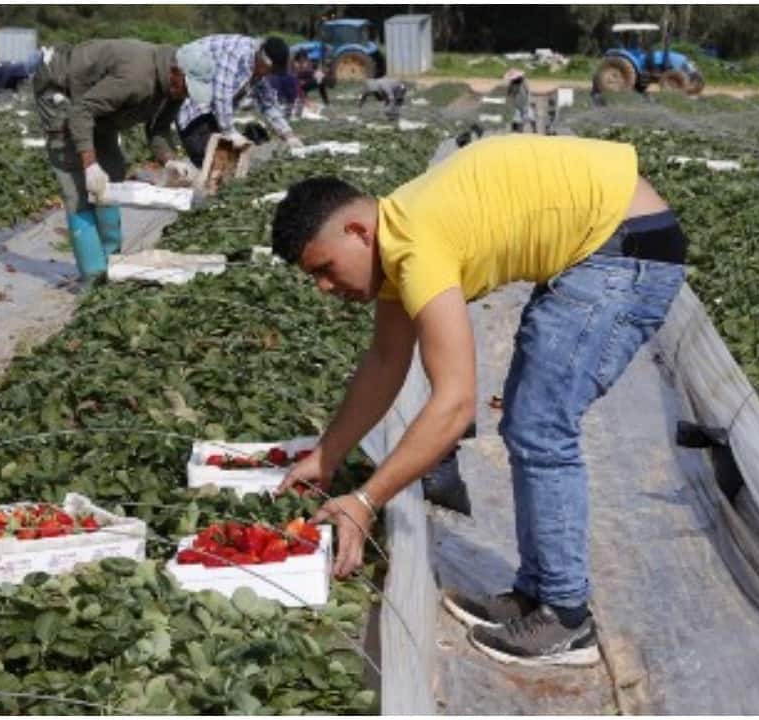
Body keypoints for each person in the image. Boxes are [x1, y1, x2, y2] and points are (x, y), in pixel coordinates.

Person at [270, 134, 687, 667]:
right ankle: (536, 593)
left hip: (624, 249)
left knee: (541, 426)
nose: (324, 288)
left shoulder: (418, 242)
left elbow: (455, 404)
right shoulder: (396, 234)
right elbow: (384, 361)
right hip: (604, 244)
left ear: (357, 230)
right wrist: (327, 456)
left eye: (324, 268)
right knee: (528, 422)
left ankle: (567, 618)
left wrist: (367, 501)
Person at [31, 39, 196, 281]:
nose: (187, 94)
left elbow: (158, 128)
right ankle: (94, 277)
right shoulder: (136, 78)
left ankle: (111, 264)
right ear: (175, 72)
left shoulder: (175, 88)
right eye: (187, 88)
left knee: (112, 176)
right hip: (61, 88)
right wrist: (89, 165)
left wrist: (169, 160)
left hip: (94, 104)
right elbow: (81, 112)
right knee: (78, 187)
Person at [175, 35, 304, 168]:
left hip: (211, 110)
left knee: (226, 162)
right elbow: (221, 94)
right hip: (192, 103)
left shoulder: (258, 69)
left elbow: (268, 105)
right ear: (263, 59)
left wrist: (288, 134)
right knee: (208, 159)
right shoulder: (236, 54)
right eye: (269, 70)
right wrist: (229, 132)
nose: (268, 75)